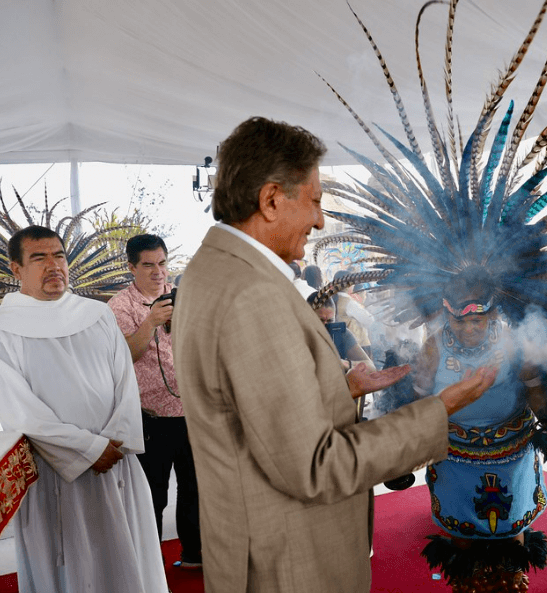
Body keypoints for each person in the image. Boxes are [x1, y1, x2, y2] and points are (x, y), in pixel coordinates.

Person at [172, 116, 498, 593]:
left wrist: (343, 387)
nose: (320, 220)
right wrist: (439, 410)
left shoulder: (212, 270)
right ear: (270, 199)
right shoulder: (252, 296)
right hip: (287, 560)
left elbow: (250, 413)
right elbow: (316, 468)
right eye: (316, 200)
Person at [0, 225, 169, 593]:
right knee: (74, 571)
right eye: (39, 258)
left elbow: (125, 382)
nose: (53, 265)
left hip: (116, 463)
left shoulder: (96, 314)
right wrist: (90, 449)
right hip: (56, 475)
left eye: (59, 255)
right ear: (16, 269)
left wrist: (117, 440)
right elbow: (19, 413)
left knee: (129, 563)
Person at [415, 270, 547, 592]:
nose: (469, 329)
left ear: (494, 312)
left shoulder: (516, 342)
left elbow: (543, 404)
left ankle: (511, 582)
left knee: (512, 540)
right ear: (447, 313)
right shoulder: (433, 347)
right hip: (455, 458)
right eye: (460, 322)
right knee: (462, 542)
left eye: (479, 320)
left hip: (511, 455)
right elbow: (417, 407)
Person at [108, 233, 202, 569]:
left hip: (192, 412)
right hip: (150, 419)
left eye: (162, 263)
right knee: (152, 496)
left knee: (195, 490)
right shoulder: (119, 307)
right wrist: (150, 321)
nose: (158, 272)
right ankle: (148, 566)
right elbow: (124, 357)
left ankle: (195, 556)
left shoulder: (183, 296)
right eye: (148, 265)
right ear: (131, 267)